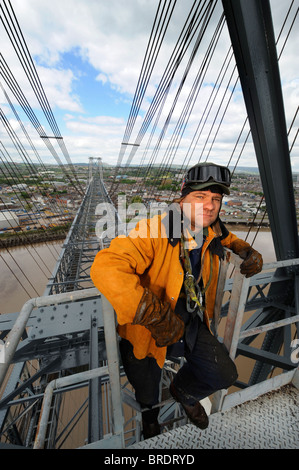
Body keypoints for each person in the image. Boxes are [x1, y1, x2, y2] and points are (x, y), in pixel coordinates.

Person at [90, 162, 263, 439]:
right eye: (200, 197)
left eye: (216, 199)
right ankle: (150, 414)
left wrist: (246, 249)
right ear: (181, 200)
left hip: (190, 320)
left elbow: (227, 238)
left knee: (223, 374)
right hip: (147, 328)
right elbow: (106, 266)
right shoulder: (153, 230)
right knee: (146, 387)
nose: (209, 206)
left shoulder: (211, 230)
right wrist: (152, 313)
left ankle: (183, 391)